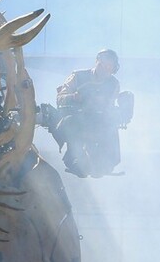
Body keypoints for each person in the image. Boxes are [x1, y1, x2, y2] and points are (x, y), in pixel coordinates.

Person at [48, 48, 133, 177]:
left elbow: (110, 107)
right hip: (77, 117)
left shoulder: (114, 84)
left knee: (110, 126)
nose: (105, 68)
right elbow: (60, 98)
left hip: (100, 122)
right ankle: (74, 158)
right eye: (103, 63)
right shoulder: (77, 76)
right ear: (97, 61)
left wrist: (120, 113)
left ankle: (107, 163)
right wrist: (74, 97)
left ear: (113, 69)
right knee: (72, 123)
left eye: (109, 66)